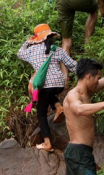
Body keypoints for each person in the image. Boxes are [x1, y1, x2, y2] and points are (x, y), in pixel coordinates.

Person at [17, 24, 77, 152]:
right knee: (49, 93)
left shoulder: (31, 51)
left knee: (41, 113)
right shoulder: (57, 49)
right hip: (59, 84)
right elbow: (72, 65)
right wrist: (85, 75)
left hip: (45, 85)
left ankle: (47, 143)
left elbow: (20, 53)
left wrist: (28, 42)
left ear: (38, 38)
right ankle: (58, 107)